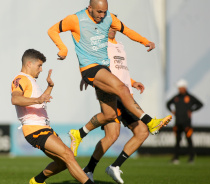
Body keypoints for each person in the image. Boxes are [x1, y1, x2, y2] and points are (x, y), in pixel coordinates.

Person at [48, 0, 171, 143]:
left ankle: (79, 133)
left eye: (104, 11)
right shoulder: (75, 19)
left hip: (103, 69)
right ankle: (150, 122)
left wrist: (144, 41)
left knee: (109, 114)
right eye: (99, 12)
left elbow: (127, 30)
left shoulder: (109, 18)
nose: (102, 15)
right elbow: (52, 30)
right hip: (90, 69)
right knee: (122, 88)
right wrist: (63, 49)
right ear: (90, 8)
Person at [69, 26, 152, 183]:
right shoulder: (101, 45)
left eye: (114, 26)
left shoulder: (119, 45)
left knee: (139, 132)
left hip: (125, 93)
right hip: (111, 92)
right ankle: (82, 140)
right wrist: (85, 76)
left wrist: (132, 82)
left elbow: (120, 71)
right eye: (109, 25)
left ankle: (98, 168)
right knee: (116, 133)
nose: (112, 28)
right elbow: (90, 63)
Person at [11, 49, 95, 184]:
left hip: (43, 128)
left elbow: (38, 100)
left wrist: (50, 87)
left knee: (62, 162)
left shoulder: (30, 80)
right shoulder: (20, 79)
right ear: (29, 64)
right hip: (34, 129)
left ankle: (37, 181)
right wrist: (38, 100)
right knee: (68, 155)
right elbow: (15, 99)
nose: (41, 69)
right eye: (39, 65)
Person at [166, 79, 203, 164]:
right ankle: (176, 158)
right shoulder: (176, 97)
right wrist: (172, 111)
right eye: (178, 88)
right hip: (177, 122)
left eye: (180, 87)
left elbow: (200, 104)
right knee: (177, 140)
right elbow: (168, 103)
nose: (179, 89)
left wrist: (192, 110)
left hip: (187, 123)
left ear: (184, 88)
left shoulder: (190, 97)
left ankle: (191, 158)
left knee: (189, 140)